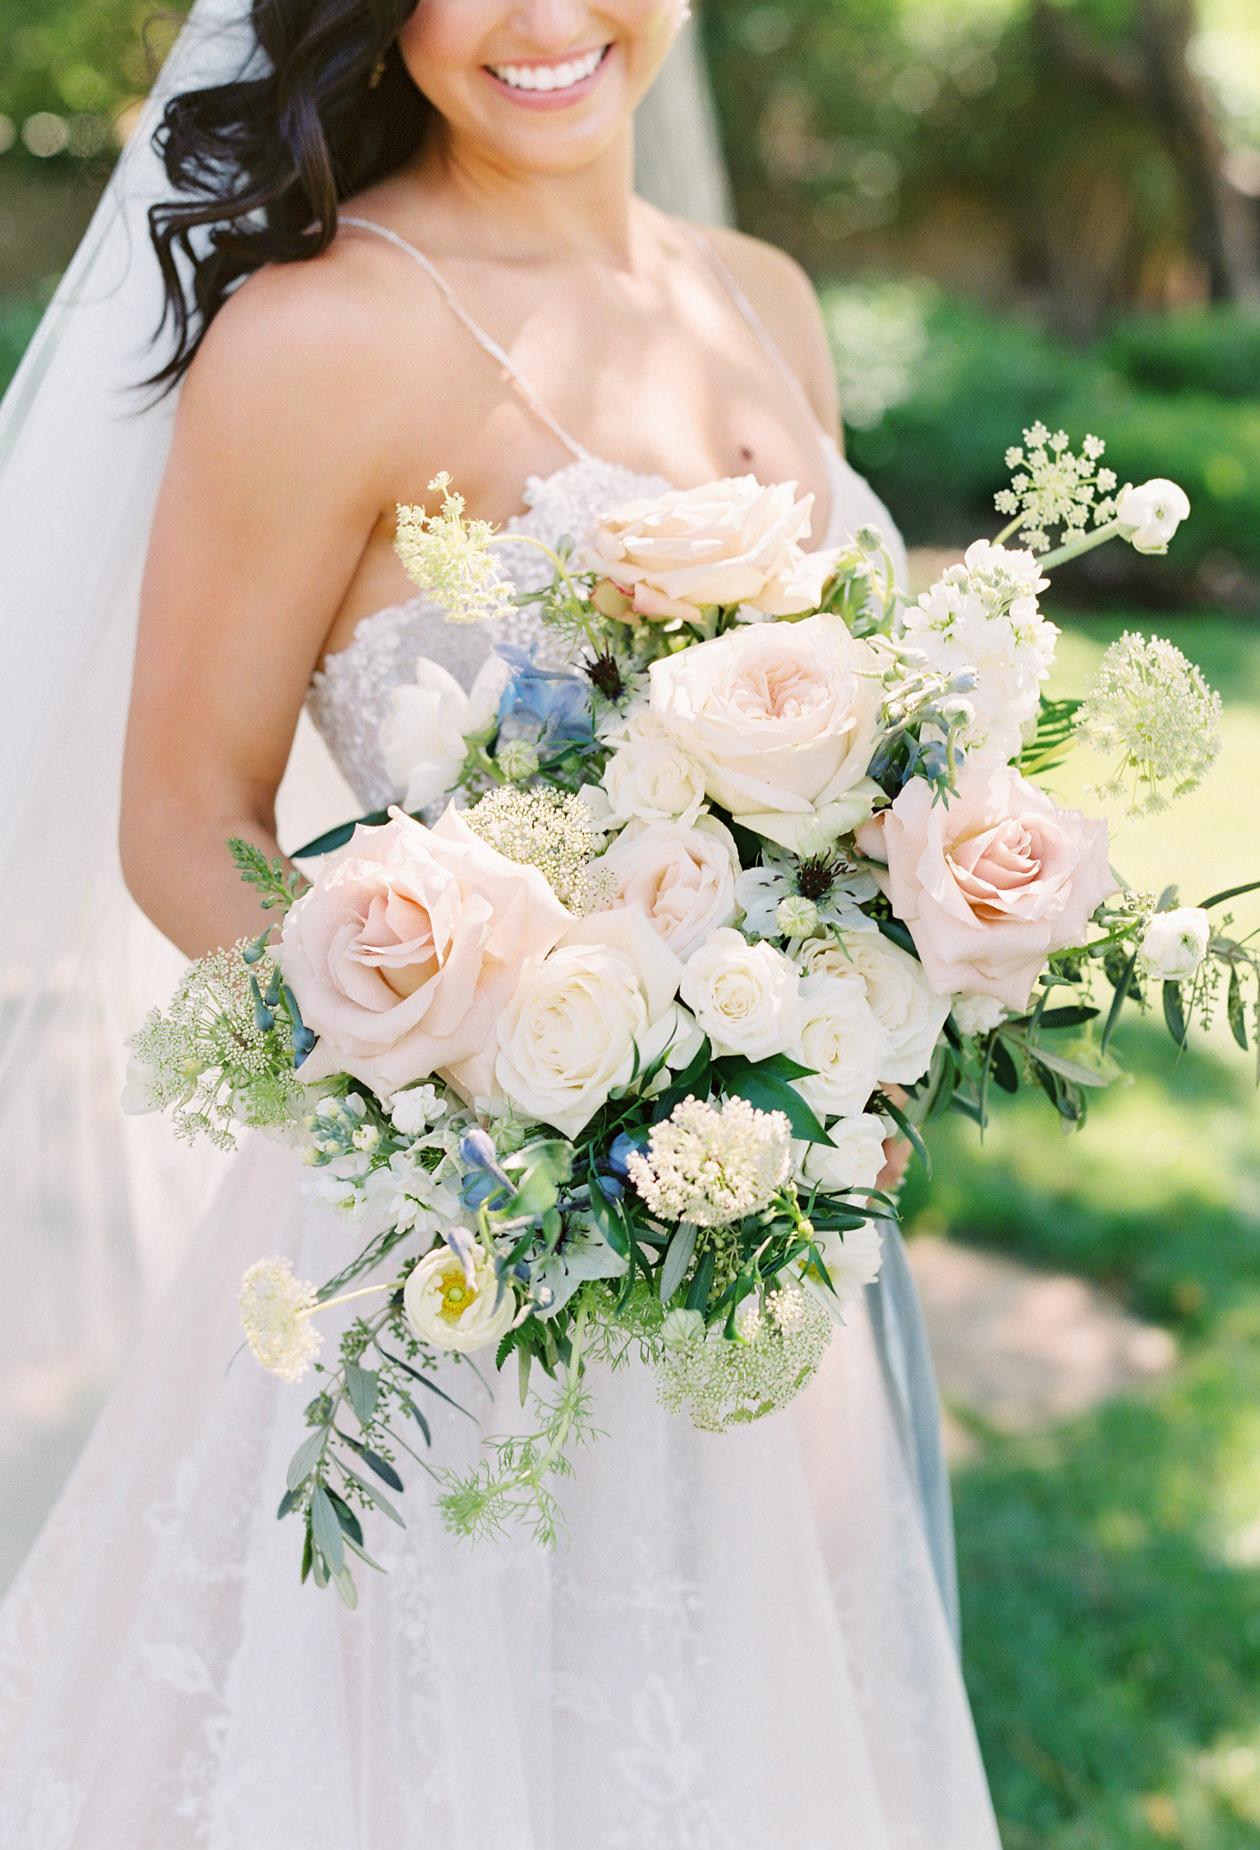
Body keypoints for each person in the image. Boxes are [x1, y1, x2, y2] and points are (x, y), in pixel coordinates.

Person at [0, 3, 1003, 1844]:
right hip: (451, 1277)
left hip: (771, 1254)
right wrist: (487, 1052)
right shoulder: (319, 339)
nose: (544, 20)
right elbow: (180, 824)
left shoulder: (763, 302)